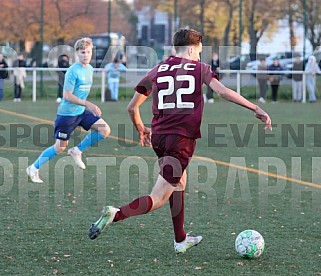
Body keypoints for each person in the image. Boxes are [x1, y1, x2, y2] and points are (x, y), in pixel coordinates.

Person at [88, 29, 272, 253]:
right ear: (193, 48)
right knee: (158, 197)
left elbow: (132, 107)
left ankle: (180, 239)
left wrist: (141, 129)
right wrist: (255, 107)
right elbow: (222, 92)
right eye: (199, 52)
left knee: (180, 183)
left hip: (160, 138)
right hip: (180, 140)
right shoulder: (200, 69)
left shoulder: (157, 70)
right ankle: (116, 214)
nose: (199, 56)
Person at [26, 38, 110, 183]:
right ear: (77, 53)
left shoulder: (89, 69)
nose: (86, 55)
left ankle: (77, 151)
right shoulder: (72, 71)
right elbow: (67, 95)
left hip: (81, 112)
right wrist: (88, 104)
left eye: (88, 52)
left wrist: (85, 106)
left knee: (104, 130)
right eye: (82, 52)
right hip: (67, 114)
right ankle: (33, 168)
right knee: (59, 148)